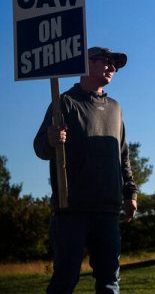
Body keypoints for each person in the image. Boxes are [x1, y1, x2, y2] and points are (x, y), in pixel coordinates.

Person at [33, 46, 137, 294]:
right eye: (107, 61)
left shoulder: (115, 108)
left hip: (108, 209)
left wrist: (130, 192)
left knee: (110, 281)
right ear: (87, 63)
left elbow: (122, 155)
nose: (112, 67)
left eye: (115, 64)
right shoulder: (64, 103)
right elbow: (40, 148)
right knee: (65, 279)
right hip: (71, 209)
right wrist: (51, 139)